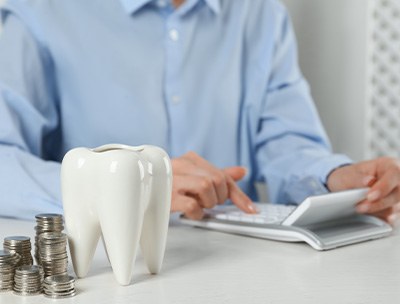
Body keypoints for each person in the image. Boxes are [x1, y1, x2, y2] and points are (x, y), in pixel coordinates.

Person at [0, 0, 399, 224]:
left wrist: (335, 179)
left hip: (242, 271)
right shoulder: (38, 11)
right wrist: (117, 187)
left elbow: (286, 143)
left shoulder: (260, 14)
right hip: (107, 274)